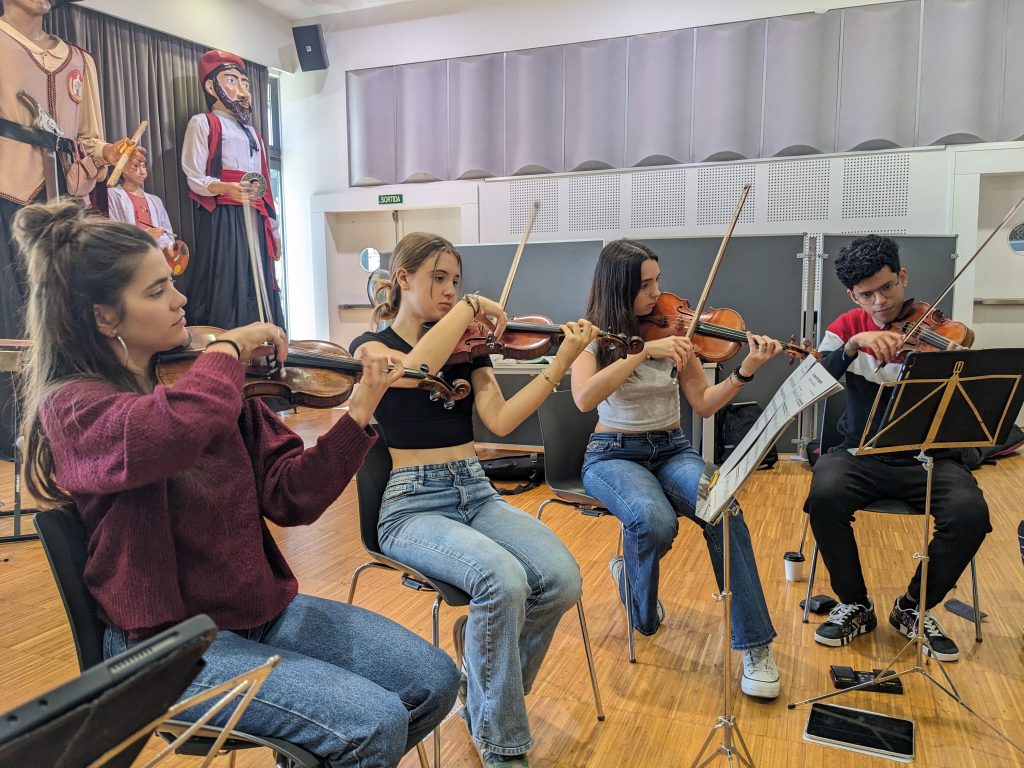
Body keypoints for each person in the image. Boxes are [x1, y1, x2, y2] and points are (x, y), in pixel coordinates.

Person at [14, 197, 459, 768]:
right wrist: (228, 349)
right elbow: (172, 432)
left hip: (262, 612)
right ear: (104, 318)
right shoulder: (77, 407)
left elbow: (293, 497)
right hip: (168, 649)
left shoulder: (217, 388)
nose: (180, 300)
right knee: (372, 723)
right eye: (157, 291)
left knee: (433, 680)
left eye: (172, 284)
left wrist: (360, 411)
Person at [350, 232, 599, 768]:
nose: (450, 290)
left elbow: (501, 420)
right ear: (402, 279)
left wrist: (561, 361)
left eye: (456, 281)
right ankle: (503, 743)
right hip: (412, 505)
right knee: (502, 581)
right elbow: (415, 371)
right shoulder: (370, 348)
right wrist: (467, 307)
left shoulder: (468, 348)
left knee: (561, 580)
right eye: (438, 278)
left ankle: (480, 669)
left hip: (475, 489)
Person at [571, 239, 784, 699]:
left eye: (658, 281)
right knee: (654, 523)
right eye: (644, 286)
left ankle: (756, 646)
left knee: (724, 508)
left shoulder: (677, 336)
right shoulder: (593, 338)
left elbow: (703, 404)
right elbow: (584, 398)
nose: (657, 294)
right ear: (617, 288)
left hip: (672, 449)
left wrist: (746, 369)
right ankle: (637, 595)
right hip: (612, 454)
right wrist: (642, 351)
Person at [805, 234, 989, 662]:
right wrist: (853, 346)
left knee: (970, 514)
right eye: (866, 295)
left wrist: (955, 364)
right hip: (860, 453)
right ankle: (855, 604)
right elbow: (813, 384)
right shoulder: (846, 328)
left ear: (902, 276)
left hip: (928, 457)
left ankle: (913, 606)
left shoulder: (937, 329)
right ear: (852, 295)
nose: (880, 302)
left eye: (887, 287)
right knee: (824, 496)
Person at [0, 0, 142, 460]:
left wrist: (107, 152)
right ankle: (15, 431)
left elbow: (88, 138)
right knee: (11, 312)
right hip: (7, 194)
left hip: (64, 202)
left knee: (68, 311)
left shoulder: (80, 60)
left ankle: (68, 424)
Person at [180, 49, 284, 330]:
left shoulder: (254, 134)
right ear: (211, 87)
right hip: (223, 215)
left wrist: (274, 230)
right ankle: (227, 339)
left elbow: (265, 185)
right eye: (232, 81)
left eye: (245, 83)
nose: (243, 92)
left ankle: (266, 336)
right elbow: (193, 175)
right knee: (226, 277)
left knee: (259, 278)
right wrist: (223, 187)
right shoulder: (203, 123)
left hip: (256, 213)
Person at [107, 157, 176, 251]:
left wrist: (168, 246)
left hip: (155, 254)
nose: (143, 172)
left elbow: (167, 233)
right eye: (136, 166)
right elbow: (111, 232)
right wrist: (144, 235)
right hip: (129, 254)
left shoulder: (155, 201)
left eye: (144, 167)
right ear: (123, 170)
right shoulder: (112, 195)